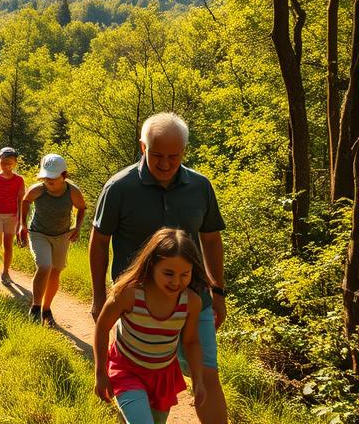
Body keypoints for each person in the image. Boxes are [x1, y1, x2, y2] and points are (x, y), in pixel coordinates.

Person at [89, 112, 228, 424]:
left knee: (207, 373)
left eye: (174, 156)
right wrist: (99, 297)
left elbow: (211, 239)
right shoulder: (119, 188)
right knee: (137, 367)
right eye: (158, 155)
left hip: (194, 299)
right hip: (136, 304)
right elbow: (99, 243)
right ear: (143, 147)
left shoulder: (200, 187)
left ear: (184, 152)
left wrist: (217, 291)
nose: (166, 164)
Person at [94, 228, 207, 424]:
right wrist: (100, 372)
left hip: (162, 377)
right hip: (126, 369)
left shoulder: (191, 302)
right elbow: (103, 327)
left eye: (184, 274)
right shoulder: (129, 294)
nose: (176, 282)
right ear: (152, 264)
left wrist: (198, 379)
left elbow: (190, 342)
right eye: (168, 273)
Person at [18, 153, 86, 325]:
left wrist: (77, 227)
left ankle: (46, 309)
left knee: (55, 271)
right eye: (46, 178)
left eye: (53, 179)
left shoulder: (73, 192)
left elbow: (82, 208)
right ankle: (35, 307)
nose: (49, 182)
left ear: (64, 176)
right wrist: (22, 225)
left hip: (61, 235)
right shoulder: (37, 190)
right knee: (44, 266)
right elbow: (25, 202)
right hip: (39, 233)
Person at [0, 146, 25, 284]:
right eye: (4, 162)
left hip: (12, 216)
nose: (7, 165)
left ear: (15, 163)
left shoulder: (19, 180)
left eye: (10, 162)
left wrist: (20, 220)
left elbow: (21, 200)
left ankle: (6, 272)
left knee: (8, 245)